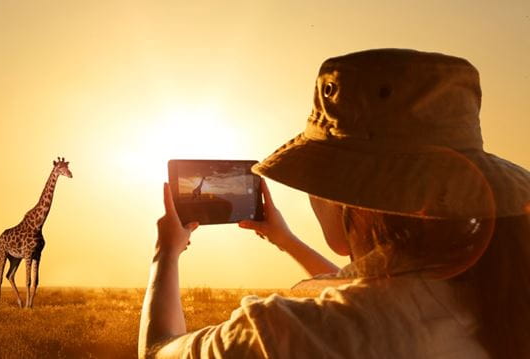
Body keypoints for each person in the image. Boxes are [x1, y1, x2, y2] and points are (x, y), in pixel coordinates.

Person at [138, 49, 530, 358]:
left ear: (349, 195)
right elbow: (377, 297)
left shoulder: (286, 335)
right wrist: (285, 240)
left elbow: (157, 352)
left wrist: (166, 254)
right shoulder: (496, 292)